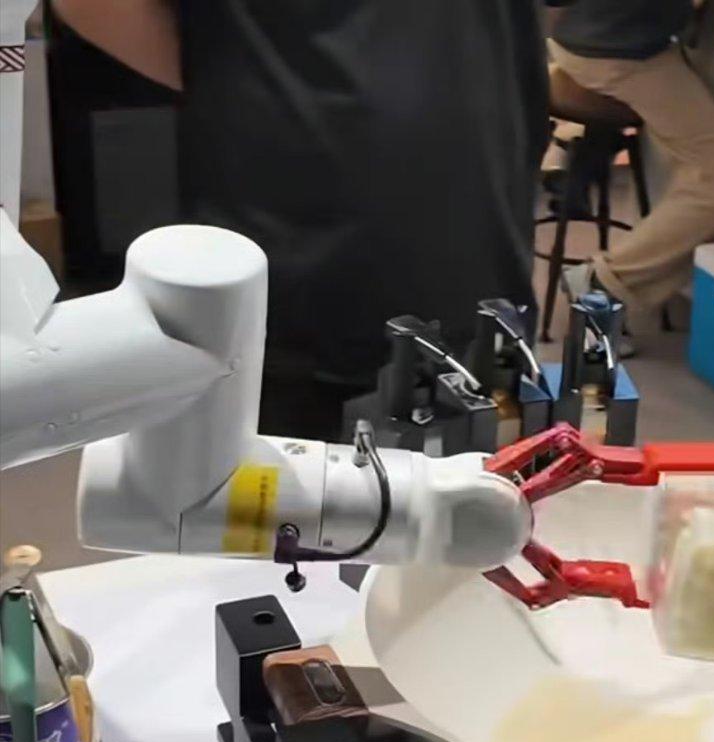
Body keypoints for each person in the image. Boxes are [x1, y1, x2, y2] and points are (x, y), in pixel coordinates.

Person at [53, 0, 549, 438]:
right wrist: (252, 89)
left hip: (477, 241)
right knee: (292, 491)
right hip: (304, 265)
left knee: (476, 487)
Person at [545, 0, 714, 321]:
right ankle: (604, 282)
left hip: (586, 38)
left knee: (699, 166)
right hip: (617, 51)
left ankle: (571, 150)